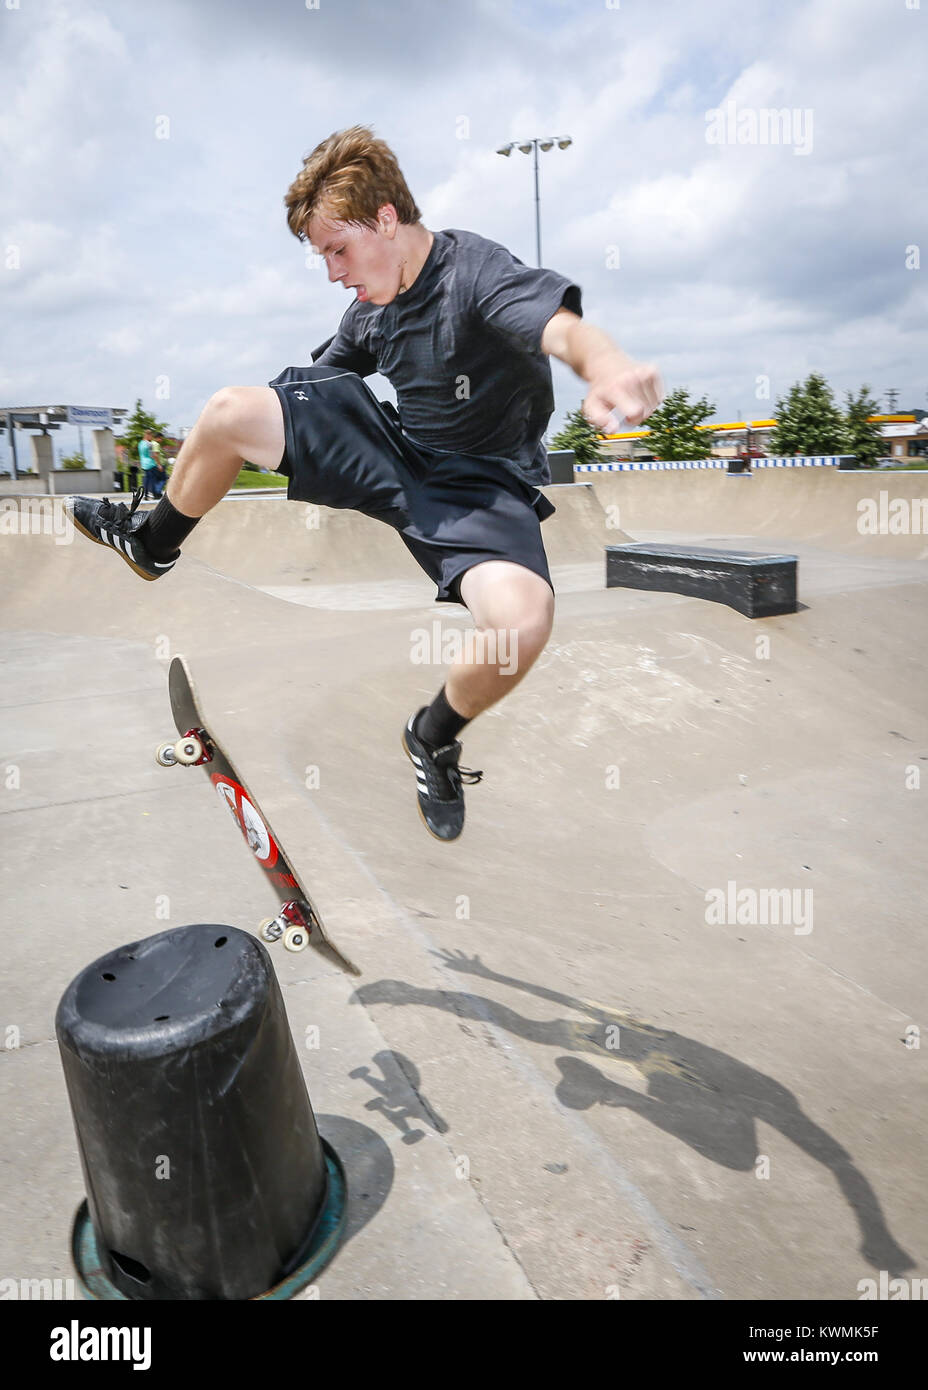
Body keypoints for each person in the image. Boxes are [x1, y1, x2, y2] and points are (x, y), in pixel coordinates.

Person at [68, 126, 662, 840]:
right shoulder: (369, 312)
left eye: (337, 250)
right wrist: (284, 431)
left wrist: (607, 369)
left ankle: (433, 735)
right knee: (229, 411)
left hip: (484, 488)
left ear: (387, 219)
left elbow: (559, 328)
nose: (332, 273)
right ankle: (154, 542)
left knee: (520, 625)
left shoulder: (475, 273)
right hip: (395, 455)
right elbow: (318, 389)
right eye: (322, 256)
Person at [138, 430, 159, 499]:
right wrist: (158, 463)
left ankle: (145, 494)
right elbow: (152, 455)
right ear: (148, 435)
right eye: (151, 436)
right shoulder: (149, 444)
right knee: (152, 480)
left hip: (143, 464)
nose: (152, 437)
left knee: (146, 479)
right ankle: (153, 494)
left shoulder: (140, 443)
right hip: (151, 463)